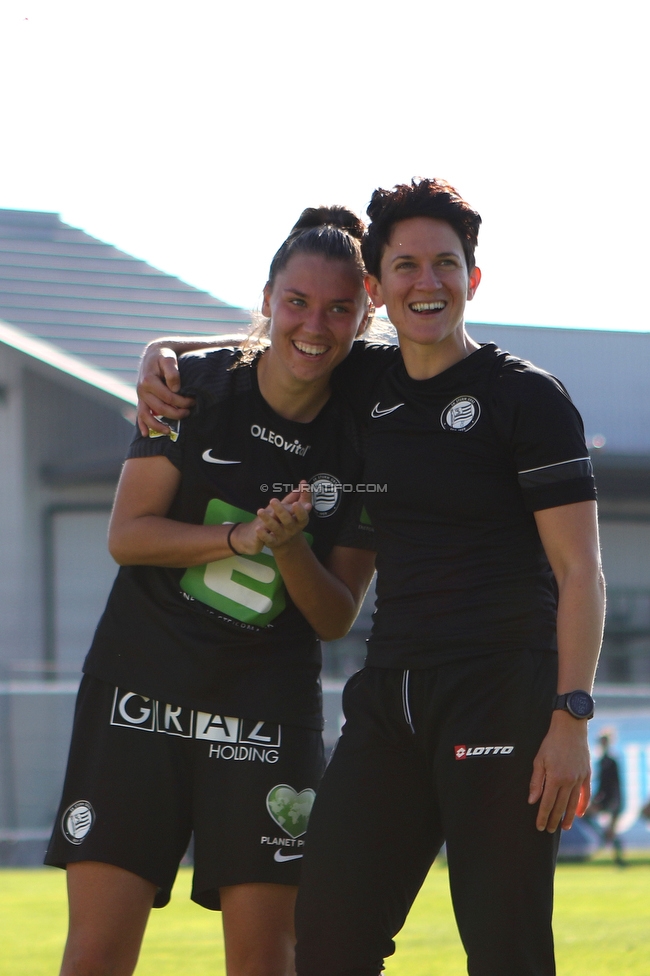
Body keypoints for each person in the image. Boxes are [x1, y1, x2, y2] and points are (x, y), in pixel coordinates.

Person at [137, 179, 605, 976]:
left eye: (446, 264)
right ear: (380, 290)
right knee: (330, 940)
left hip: (502, 690)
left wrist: (570, 718)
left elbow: (580, 568)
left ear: (473, 279)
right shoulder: (363, 381)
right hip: (390, 696)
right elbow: (279, 342)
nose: (429, 282)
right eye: (408, 266)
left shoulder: (525, 398)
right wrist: (164, 355)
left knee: (506, 947)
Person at [44, 206, 377, 976]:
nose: (314, 325)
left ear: (366, 317)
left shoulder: (367, 433)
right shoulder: (192, 386)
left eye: (338, 309)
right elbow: (128, 533)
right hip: (140, 689)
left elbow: (334, 615)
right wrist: (238, 537)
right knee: (96, 955)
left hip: (263, 709)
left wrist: (288, 549)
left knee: (265, 960)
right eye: (296, 302)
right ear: (265, 299)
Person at [586, 730, 625, 864]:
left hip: (612, 801)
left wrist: (601, 800)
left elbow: (612, 785)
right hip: (608, 800)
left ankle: (618, 858)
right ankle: (617, 857)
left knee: (610, 830)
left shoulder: (610, 761)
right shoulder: (603, 761)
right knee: (608, 830)